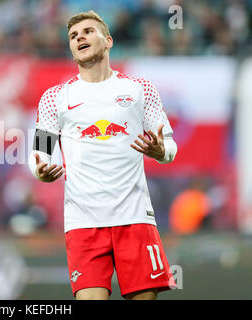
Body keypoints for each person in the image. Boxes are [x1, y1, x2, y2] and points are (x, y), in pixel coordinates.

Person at [27, 10, 177, 300]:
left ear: (108, 41)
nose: (79, 37)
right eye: (73, 36)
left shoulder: (139, 90)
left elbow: (169, 146)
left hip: (134, 218)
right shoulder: (53, 98)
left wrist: (161, 152)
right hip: (83, 223)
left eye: (87, 31)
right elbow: (39, 153)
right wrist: (41, 171)